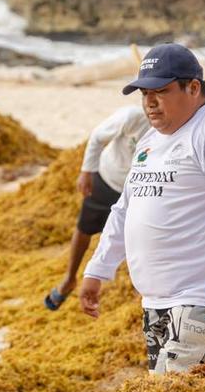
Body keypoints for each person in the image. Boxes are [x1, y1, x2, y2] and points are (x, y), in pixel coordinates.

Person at [80, 43, 205, 374]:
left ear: (193, 88)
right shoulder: (150, 140)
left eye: (161, 91)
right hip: (156, 301)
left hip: (203, 298)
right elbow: (125, 208)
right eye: (143, 93)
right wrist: (98, 269)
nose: (149, 102)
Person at [44, 106, 151, 310]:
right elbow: (97, 138)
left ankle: (139, 292)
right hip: (108, 179)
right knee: (85, 228)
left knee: (138, 241)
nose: (152, 103)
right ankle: (69, 278)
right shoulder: (133, 117)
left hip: (140, 191)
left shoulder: (176, 127)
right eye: (147, 96)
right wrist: (87, 171)